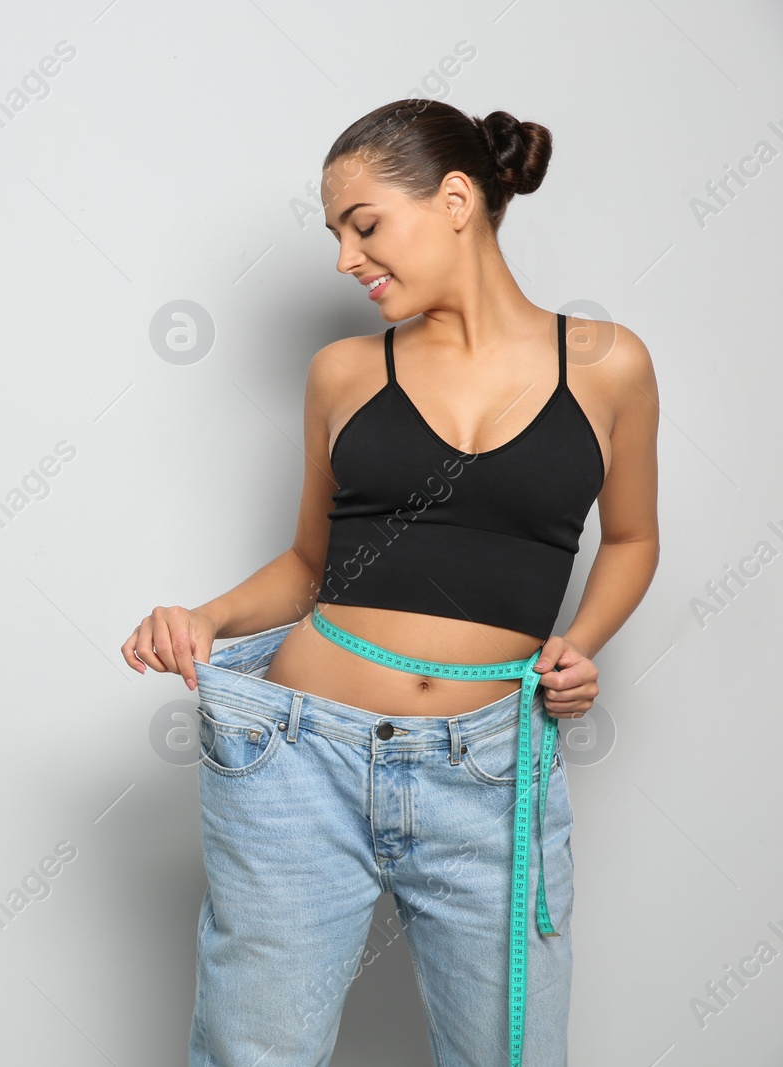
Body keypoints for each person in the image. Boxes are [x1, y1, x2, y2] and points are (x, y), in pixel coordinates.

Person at [121, 99, 660, 1067]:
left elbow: (630, 537)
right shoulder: (343, 372)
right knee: (255, 1052)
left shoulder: (607, 364)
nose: (344, 259)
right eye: (334, 234)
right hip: (295, 754)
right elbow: (303, 567)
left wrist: (582, 641)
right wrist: (200, 616)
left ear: (456, 199)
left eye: (362, 225)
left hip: (491, 767)